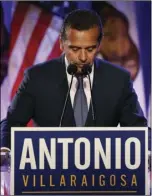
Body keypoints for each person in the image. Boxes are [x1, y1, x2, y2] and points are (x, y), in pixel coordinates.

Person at [0, 9, 148, 150]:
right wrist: (4, 148)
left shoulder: (117, 80)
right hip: (52, 171)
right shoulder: (37, 78)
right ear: (62, 44)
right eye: (75, 49)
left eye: (89, 49)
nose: (82, 57)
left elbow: (139, 129)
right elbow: (12, 123)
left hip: (101, 172)